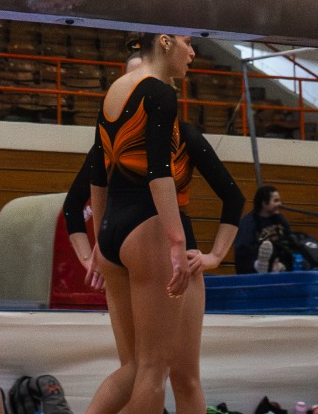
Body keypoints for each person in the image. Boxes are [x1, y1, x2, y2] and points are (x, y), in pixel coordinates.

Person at [64, 66, 244, 414]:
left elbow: (233, 198)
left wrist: (214, 256)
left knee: (152, 372)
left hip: (144, 244)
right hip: (157, 243)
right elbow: (74, 204)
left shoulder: (180, 136)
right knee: (156, 372)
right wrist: (92, 256)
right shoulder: (113, 141)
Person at [82, 31, 194, 414]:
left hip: (113, 230)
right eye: (187, 42)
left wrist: (100, 238)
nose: (192, 53)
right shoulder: (160, 93)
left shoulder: (114, 90)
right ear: (165, 41)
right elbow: (159, 174)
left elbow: (98, 175)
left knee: (133, 368)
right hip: (146, 228)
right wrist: (177, 241)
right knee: (153, 370)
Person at [235, 183, 284, 274]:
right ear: (264, 203)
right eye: (276, 201)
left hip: (278, 265)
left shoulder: (280, 220)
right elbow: (242, 251)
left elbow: (289, 240)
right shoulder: (247, 223)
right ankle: (261, 266)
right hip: (253, 270)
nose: (280, 204)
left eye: (279, 200)